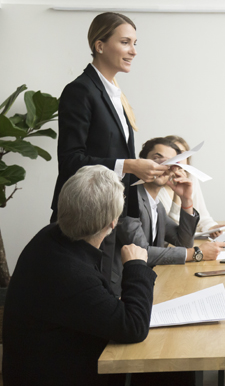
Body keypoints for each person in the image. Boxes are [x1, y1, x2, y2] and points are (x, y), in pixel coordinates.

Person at [3, 165, 156, 386]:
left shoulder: (49, 236)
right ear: (112, 223)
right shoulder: (71, 275)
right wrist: (136, 265)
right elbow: (133, 327)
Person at [51, 12, 168, 285]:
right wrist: (129, 165)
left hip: (112, 214)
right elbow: (70, 160)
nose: (134, 51)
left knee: (109, 291)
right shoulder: (80, 91)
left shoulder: (115, 94)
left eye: (135, 43)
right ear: (99, 45)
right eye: (125, 42)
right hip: (85, 217)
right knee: (87, 296)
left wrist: (144, 171)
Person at [115, 138, 225, 294]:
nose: (164, 166)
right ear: (142, 163)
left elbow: (183, 242)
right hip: (123, 289)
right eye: (157, 159)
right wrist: (196, 253)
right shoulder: (128, 200)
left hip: (150, 282)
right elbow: (142, 252)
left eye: (171, 162)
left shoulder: (156, 205)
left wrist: (186, 200)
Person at [158, 135, 219, 233]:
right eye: (174, 154)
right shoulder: (156, 185)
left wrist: (211, 228)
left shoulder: (191, 178)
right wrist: (179, 196)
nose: (178, 160)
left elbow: (202, 217)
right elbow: (172, 229)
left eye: (182, 154)